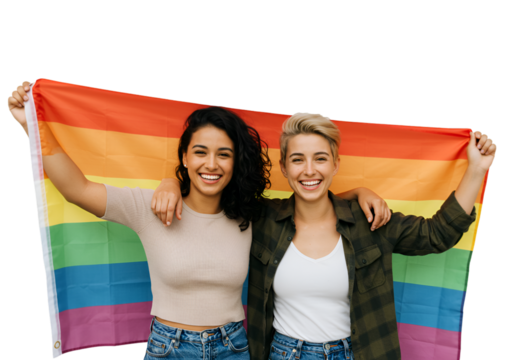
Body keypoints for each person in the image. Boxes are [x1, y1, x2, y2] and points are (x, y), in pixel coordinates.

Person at [6, 81, 392, 360]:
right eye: (201, 152)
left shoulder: (251, 216)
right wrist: (31, 128)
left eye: (223, 154)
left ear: (234, 162)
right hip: (167, 347)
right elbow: (77, 189)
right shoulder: (151, 208)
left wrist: (358, 193)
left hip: (235, 347)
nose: (211, 164)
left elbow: (311, 204)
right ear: (185, 158)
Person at [152, 113, 497, 360]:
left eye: (320, 159)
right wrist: (171, 182)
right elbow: (209, 196)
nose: (309, 170)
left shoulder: (370, 221)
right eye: (298, 160)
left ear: (335, 164)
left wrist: (477, 170)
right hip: (284, 352)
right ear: (285, 168)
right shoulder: (263, 219)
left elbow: (436, 235)